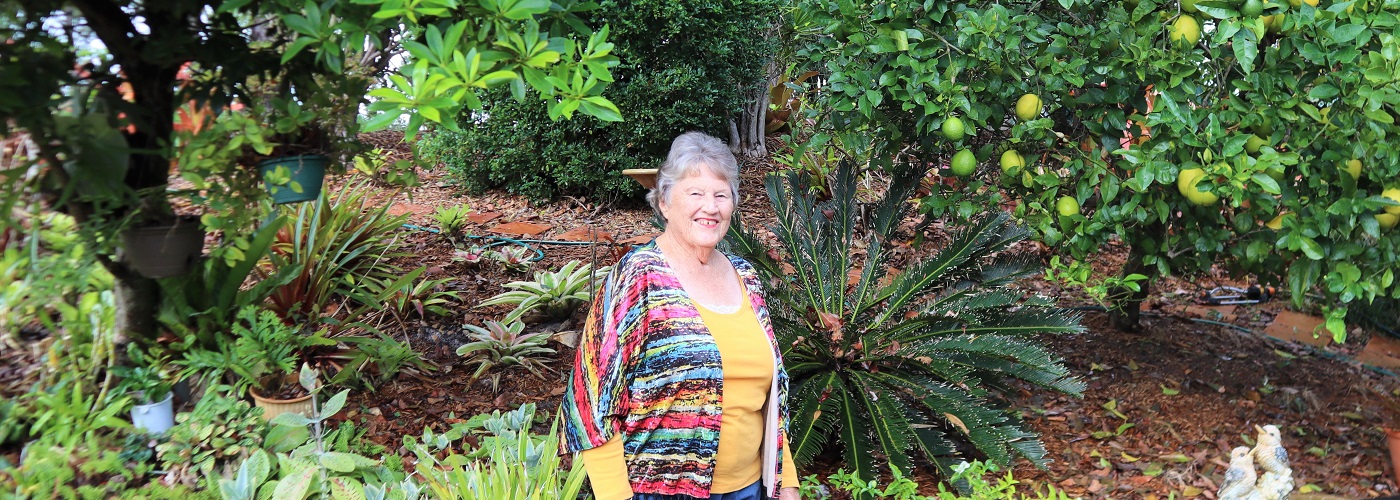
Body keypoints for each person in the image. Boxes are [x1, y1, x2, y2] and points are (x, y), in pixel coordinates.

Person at [562, 131, 800, 500]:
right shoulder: (639, 276)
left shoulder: (745, 276)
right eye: (695, 193)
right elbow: (591, 396)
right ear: (664, 202)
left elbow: (769, 399)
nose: (710, 207)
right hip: (658, 490)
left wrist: (787, 482)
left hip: (751, 489)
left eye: (721, 195)